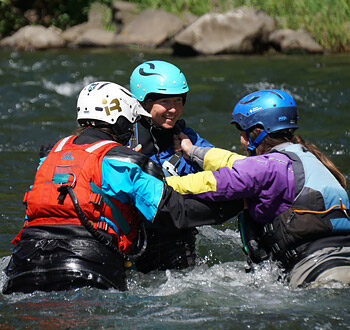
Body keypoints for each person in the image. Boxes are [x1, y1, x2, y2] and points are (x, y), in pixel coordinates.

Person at [2, 81, 242, 294]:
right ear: (120, 120)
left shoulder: (51, 152)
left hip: (23, 265)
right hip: (87, 269)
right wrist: (241, 198)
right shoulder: (124, 160)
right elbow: (176, 212)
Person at [167, 89, 350, 288]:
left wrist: (160, 183)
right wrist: (192, 151)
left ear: (260, 131)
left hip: (317, 272)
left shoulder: (269, 166)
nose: (241, 140)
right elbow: (236, 163)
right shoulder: (304, 156)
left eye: (243, 132)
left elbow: (212, 182)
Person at [128, 60, 215, 272]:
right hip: (134, 239)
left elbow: (224, 172)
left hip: (178, 237)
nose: (174, 110)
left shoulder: (187, 138)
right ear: (145, 103)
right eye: (166, 102)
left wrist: (192, 152)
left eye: (179, 101)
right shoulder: (123, 139)